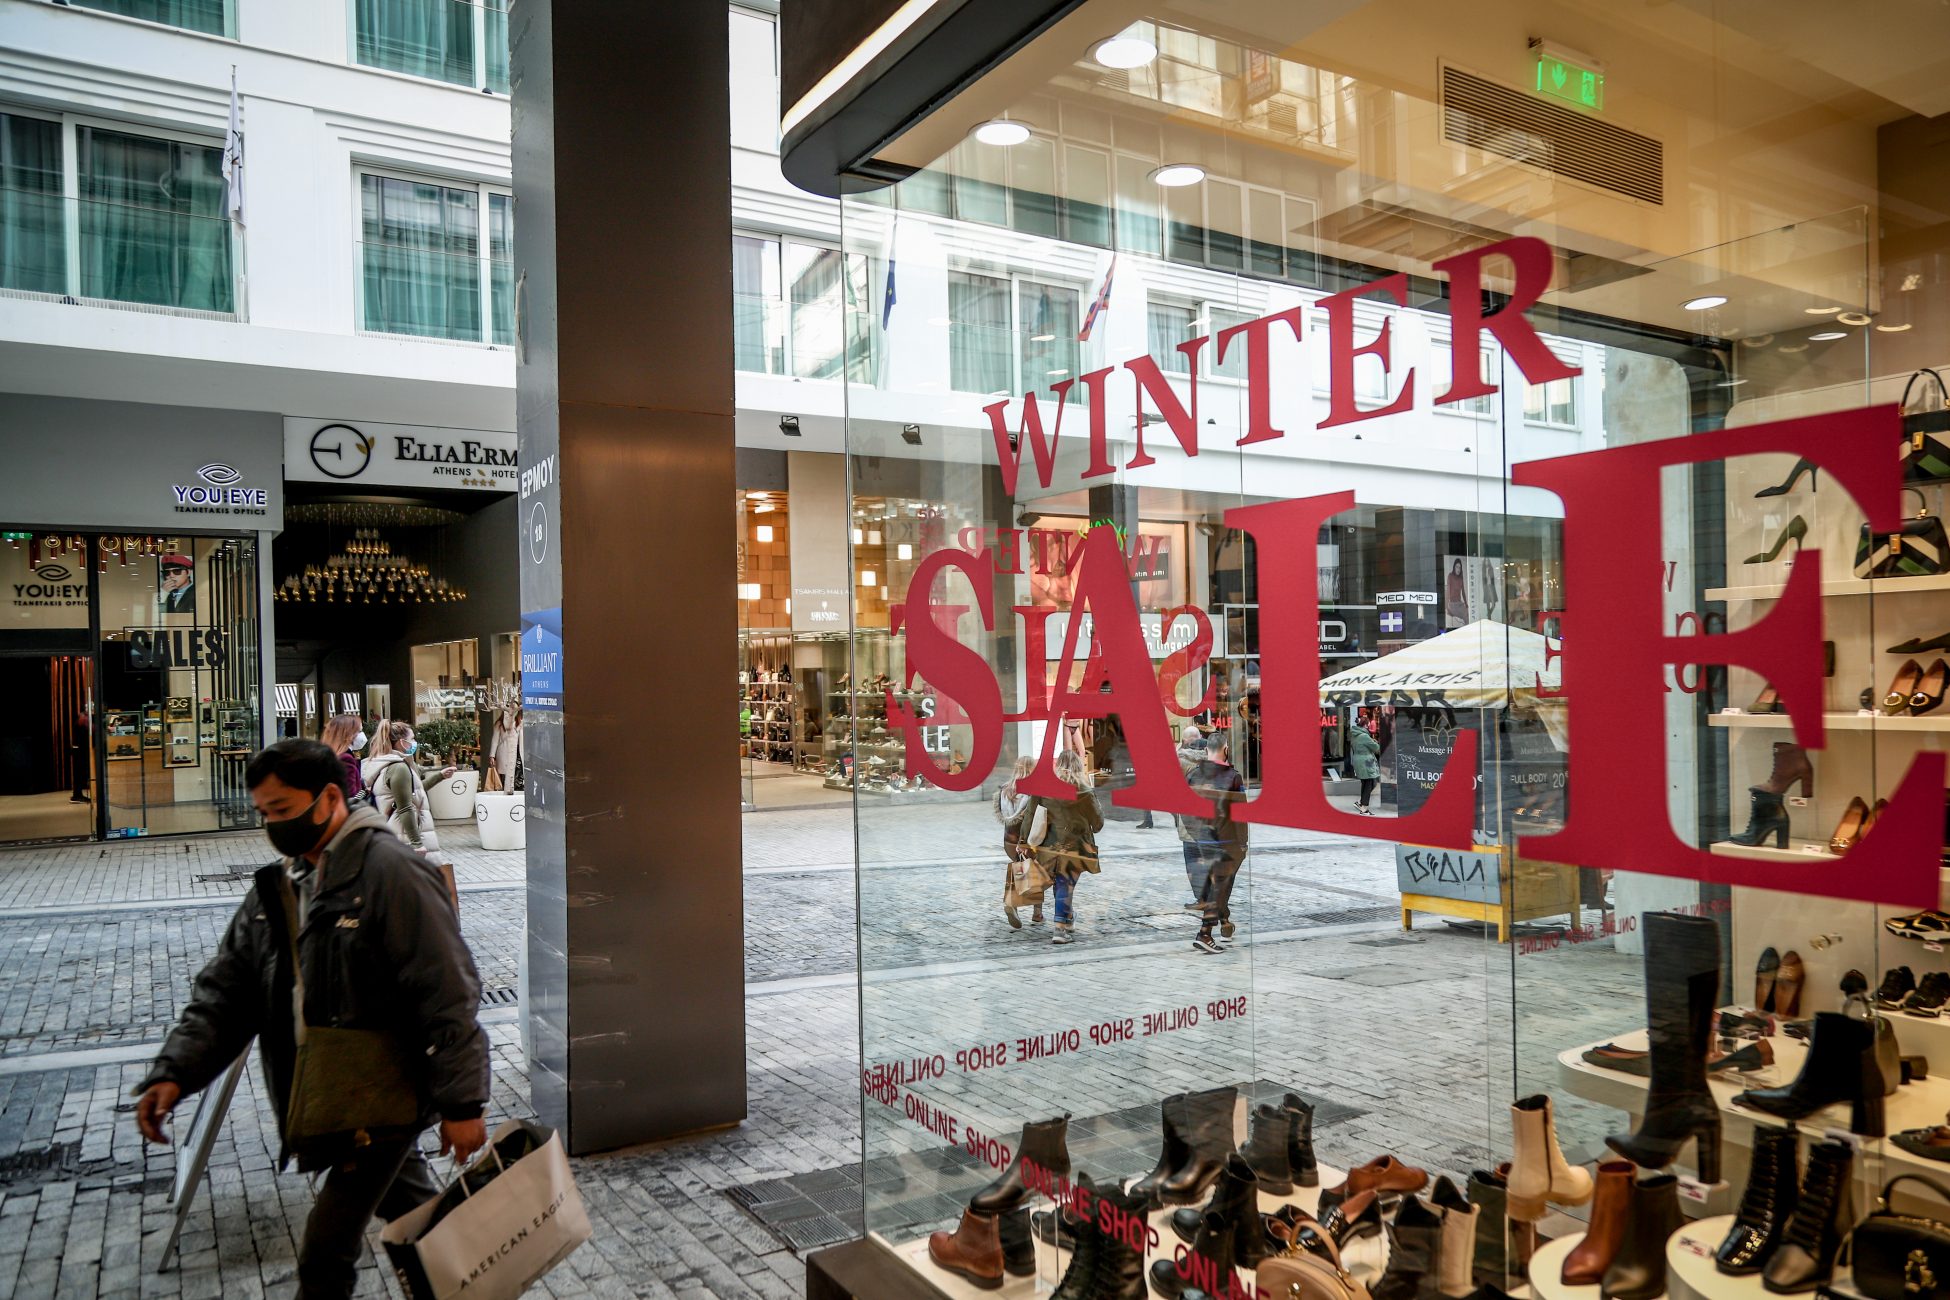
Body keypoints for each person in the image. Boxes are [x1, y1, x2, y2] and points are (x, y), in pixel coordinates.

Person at [131, 738, 488, 1300]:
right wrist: (175, 1071)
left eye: (281, 809)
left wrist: (462, 1105)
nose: (272, 825)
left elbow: (448, 992)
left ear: (329, 799)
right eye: (263, 813)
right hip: (331, 1096)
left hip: (382, 1099)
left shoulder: (392, 873)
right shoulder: (282, 886)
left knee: (325, 1256)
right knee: (425, 1224)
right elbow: (226, 990)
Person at [1024, 748, 1102, 946]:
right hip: (1076, 846)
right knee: (1065, 884)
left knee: (1061, 883)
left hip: (1048, 845)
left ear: (1058, 765)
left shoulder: (1043, 787)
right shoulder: (1084, 790)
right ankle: (1060, 928)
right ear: (1078, 766)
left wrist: (1023, 842)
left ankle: (1068, 918)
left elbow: (1030, 815)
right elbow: (1097, 823)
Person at [363, 721, 455, 865]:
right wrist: (417, 843)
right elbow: (405, 807)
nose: (414, 742)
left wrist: (440, 776)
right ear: (402, 742)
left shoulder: (384, 763)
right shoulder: (399, 767)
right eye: (412, 739)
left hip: (394, 833)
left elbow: (413, 793)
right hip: (403, 836)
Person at [1186, 739, 1247, 954]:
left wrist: (1195, 834)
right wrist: (1242, 843)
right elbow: (1241, 814)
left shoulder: (1194, 775)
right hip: (1225, 841)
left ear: (1206, 750)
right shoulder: (1233, 777)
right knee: (1219, 887)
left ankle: (1224, 921)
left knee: (1216, 886)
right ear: (1226, 750)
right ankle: (1205, 933)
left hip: (1202, 839)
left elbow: (1184, 808)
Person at [993, 755, 1043, 929]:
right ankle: (1016, 904)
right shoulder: (1032, 791)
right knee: (1034, 871)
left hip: (1009, 841)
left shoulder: (1005, 789)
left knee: (1025, 869)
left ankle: (1035, 912)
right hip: (1026, 840)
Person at [1173, 724, 1209, 906]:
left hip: (1189, 821)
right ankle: (1211, 898)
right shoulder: (1213, 760)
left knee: (1192, 861)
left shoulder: (1179, 761)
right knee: (1209, 860)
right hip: (1211, 820)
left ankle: (1201, 899)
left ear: (1185, 741)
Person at [320, 713, 366, 807]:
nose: (362, 735)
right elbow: (350, 796)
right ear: (348, 734)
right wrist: (364, 792)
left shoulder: (331, 756)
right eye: (359, 731)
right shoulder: (346, 758)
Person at [1350, 715, 1382, 814]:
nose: (1369, 726)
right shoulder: (1364, 736)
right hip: (1366, 761)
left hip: (1359, 760)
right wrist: (1374, 742)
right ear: (1365, 725)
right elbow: (1376, 748)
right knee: (1369, 783)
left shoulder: (1355, 735)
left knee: (1367, 783)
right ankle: (1364, 808)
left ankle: (1360, 802)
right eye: (1368, 724)